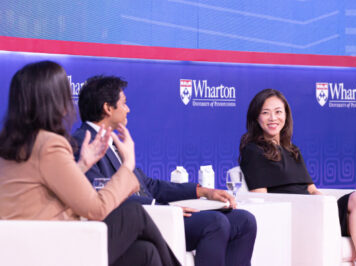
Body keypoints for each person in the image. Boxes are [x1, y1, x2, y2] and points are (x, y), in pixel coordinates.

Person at [0, 61, 180, 266]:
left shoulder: (13, 144)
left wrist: (83, 165)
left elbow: (40, 193)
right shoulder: (49, 145)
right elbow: (97, 209)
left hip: (28, 251)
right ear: (52, 101)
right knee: (134, 213)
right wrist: (127, 164)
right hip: (54, 251)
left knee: (145, 253)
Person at [73, 75, 257, 266]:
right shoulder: (84, 143)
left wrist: (201, 191)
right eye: (124, 104)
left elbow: (150, 185)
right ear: (108, 108)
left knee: (244, 221)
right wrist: (160, 207)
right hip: (141, 220)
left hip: (158, 210)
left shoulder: (115, 141)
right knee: (215, 223)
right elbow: (101, 196)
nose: (128, 109)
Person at [239, 88, 356, 266]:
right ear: (256, 117)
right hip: (294, 216)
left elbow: (311, 189)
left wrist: (327, 206)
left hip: (316, 210)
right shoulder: (253, 151)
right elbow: (260, 197)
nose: (273, 118)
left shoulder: (292, 150)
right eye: (265, 113)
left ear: (286, 115)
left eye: (278, 112)